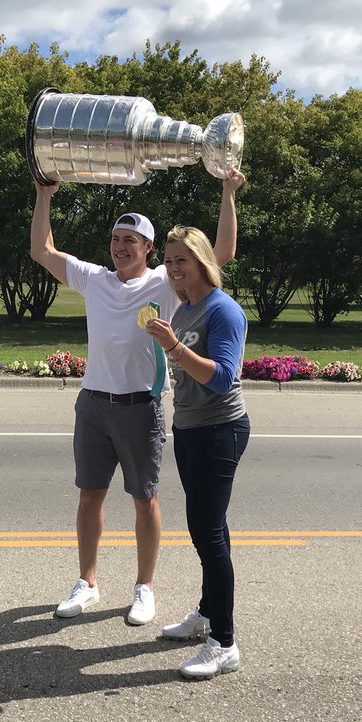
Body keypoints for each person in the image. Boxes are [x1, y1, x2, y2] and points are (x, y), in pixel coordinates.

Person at [30, 169, 244, 626]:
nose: (120, 246)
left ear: (148, 248)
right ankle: (87, 583)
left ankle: (144, 588)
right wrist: (43, 196)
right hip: (93, 403)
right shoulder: (94, 279)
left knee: (144, 499)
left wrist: (228, 193)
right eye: (116, 238)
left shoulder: (165, 282)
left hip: (140, 407)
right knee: (90, 496)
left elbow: (220, 254)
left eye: (131, 239)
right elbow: (41, 251)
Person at [142, 221, 250, 680]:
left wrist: (173, 349)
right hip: (189, 428)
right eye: (167, 261)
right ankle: (207, 613)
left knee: (207, 534)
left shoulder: (222, 311)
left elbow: (223, 376)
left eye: (180, 260)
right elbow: (182, 373)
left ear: (202, 261)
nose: (171, 269)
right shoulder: (185, 309)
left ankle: (223, 643)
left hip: (219, 431)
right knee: (211, 529)